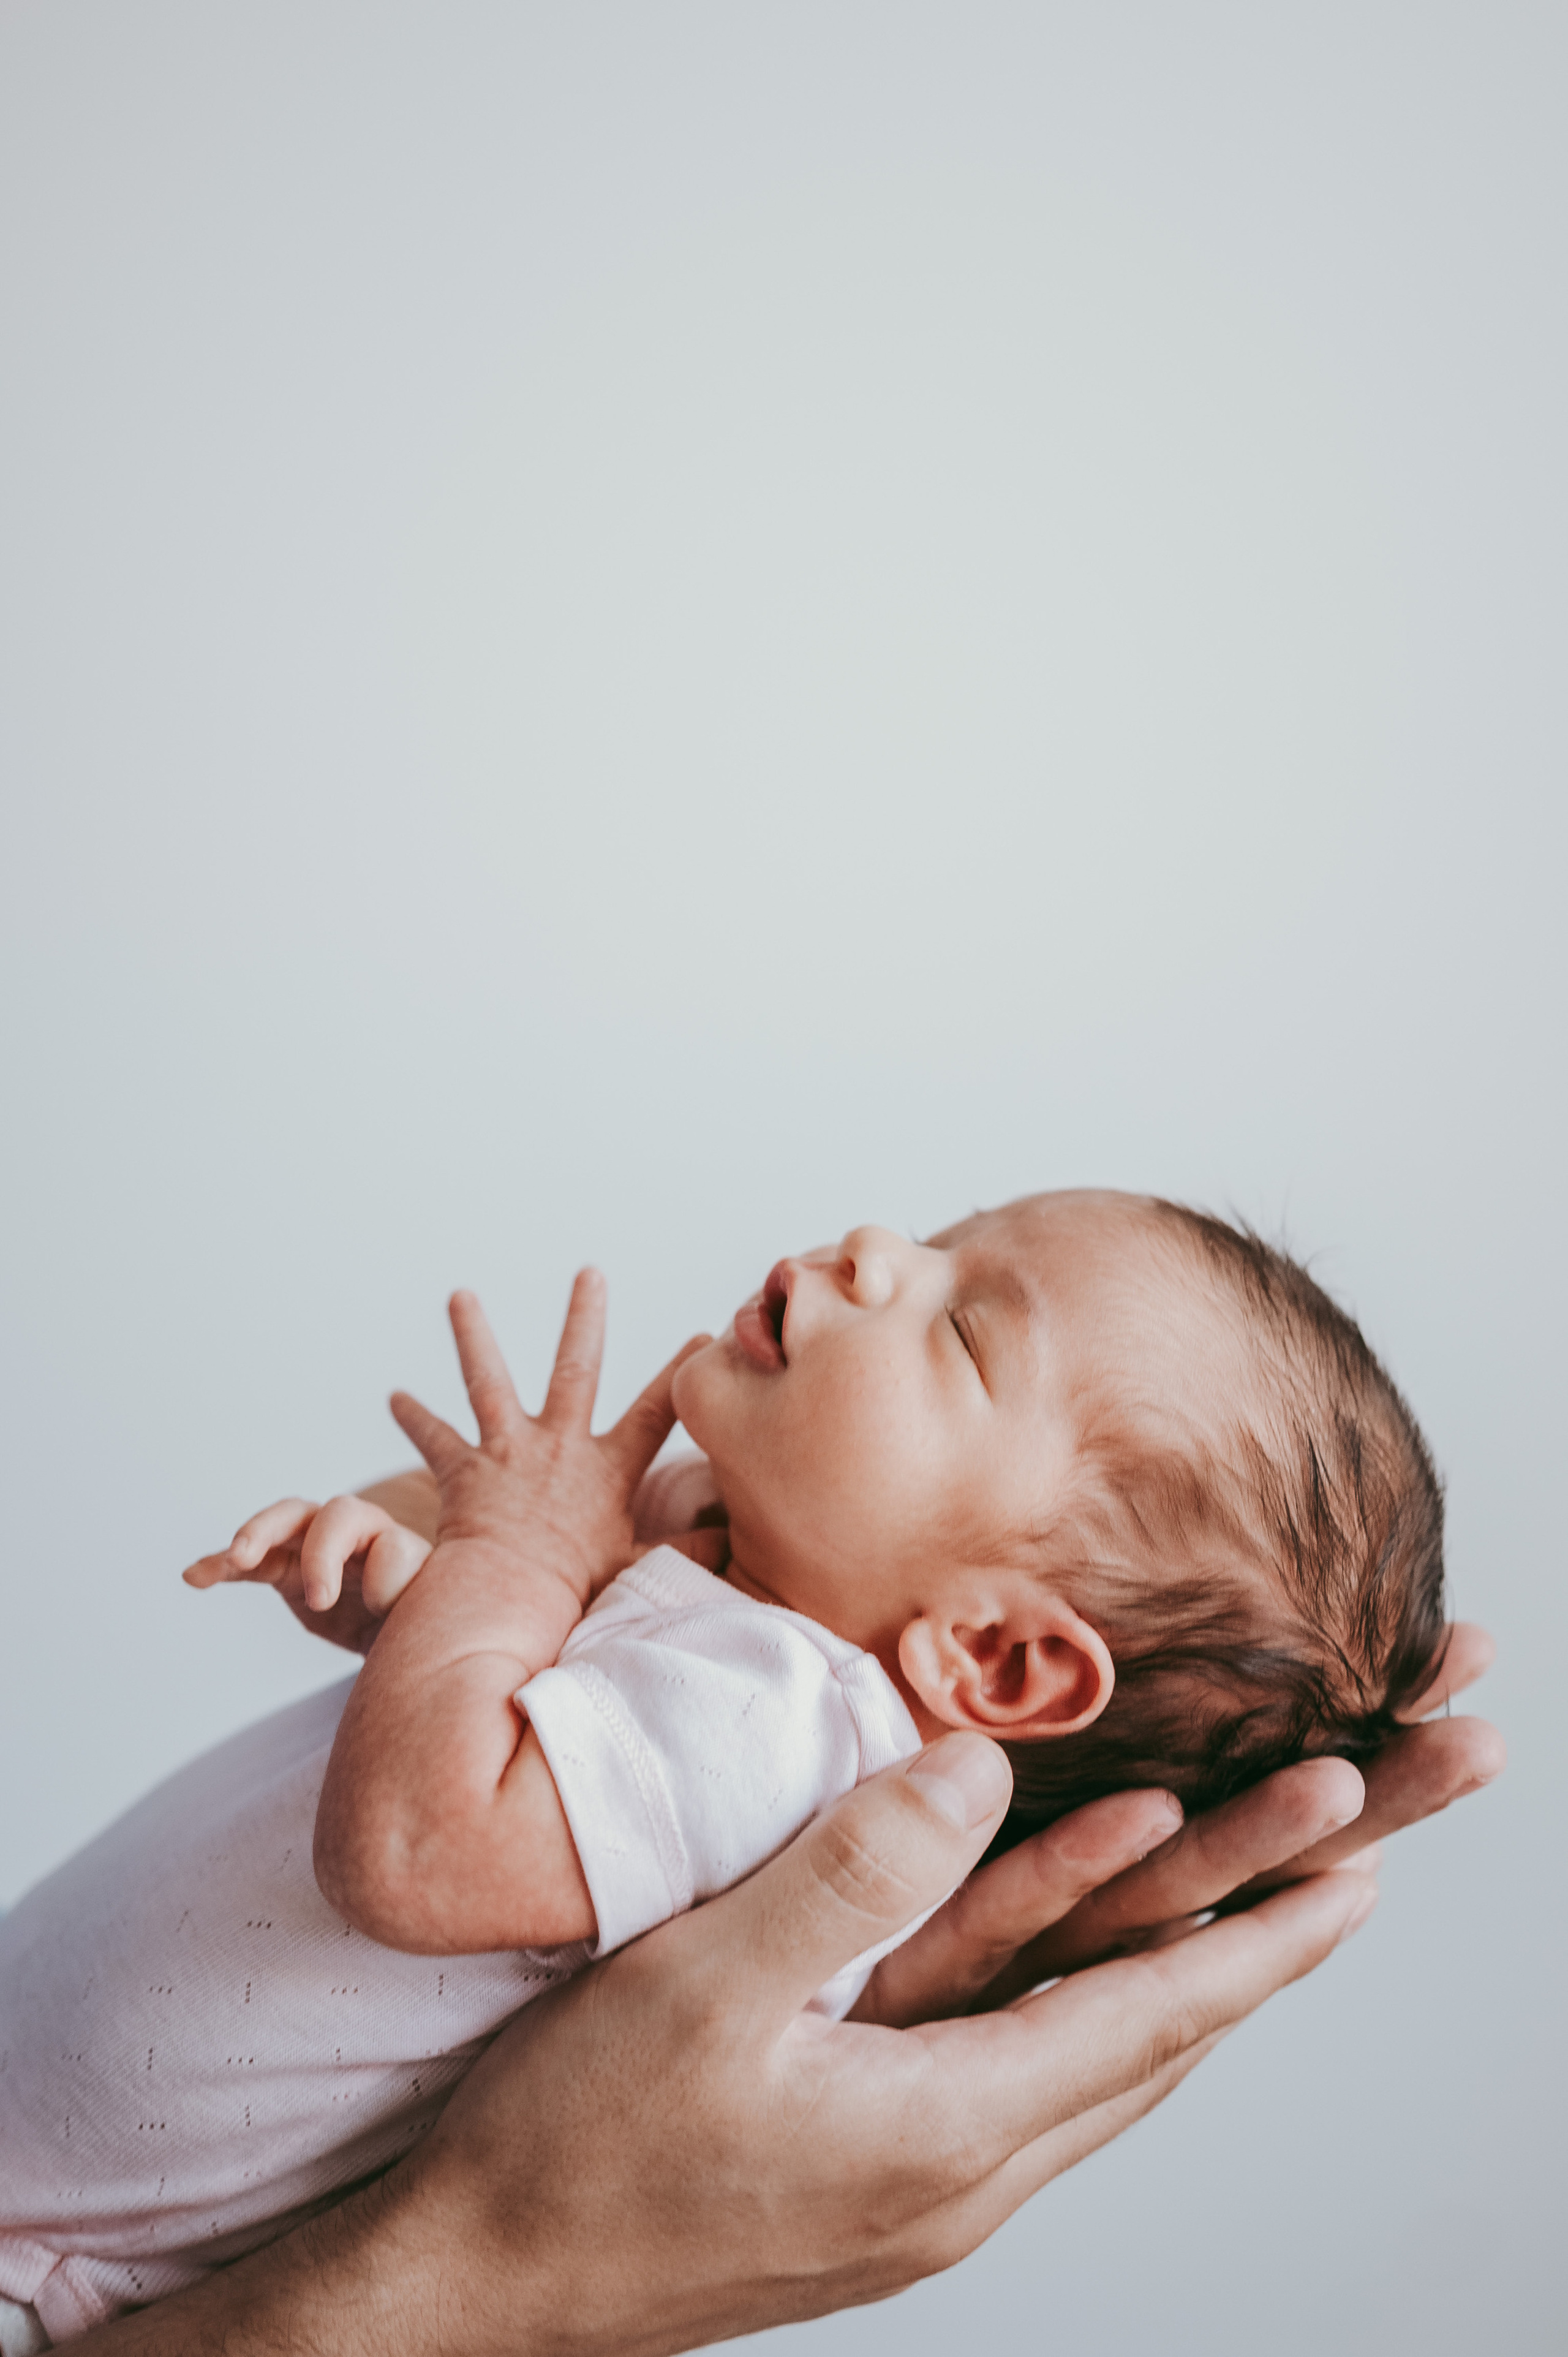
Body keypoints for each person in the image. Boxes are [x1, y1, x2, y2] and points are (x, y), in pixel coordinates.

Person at [0, 1194, 1496, 2342]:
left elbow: (420, 1847)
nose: (869, 1249)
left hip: (68, 2256)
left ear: (995, 1660)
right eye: (934, 1236)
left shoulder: (786, 1720)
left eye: (964, 1332)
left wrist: (514, 1549)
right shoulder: (721, 1573)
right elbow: (503, 1645)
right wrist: (421, 1575)